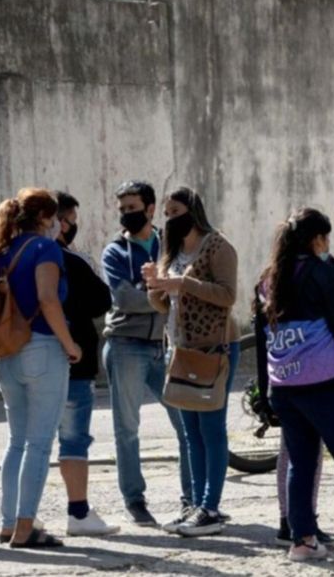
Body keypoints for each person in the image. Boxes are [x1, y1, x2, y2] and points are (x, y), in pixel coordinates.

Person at [253, 208, 334, 562]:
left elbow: (261, 336)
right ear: (317, 240)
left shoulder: (267, 280)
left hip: (284, 384)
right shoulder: (324, 273)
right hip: (324, 378)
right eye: (325, 238)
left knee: (302, 461)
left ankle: (303, 540)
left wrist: (266, 393)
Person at [0, 188, 82, 549]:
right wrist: (70, 345)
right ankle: (26, 527)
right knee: (39, 444)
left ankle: (8, 523)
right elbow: (47, 300)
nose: (59, 224)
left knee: (15, 442)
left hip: (6, 352)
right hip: (42, 348)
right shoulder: (46, 248)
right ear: (45, 218)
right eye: (56, 217)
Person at [145, 187, 240, 537]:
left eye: (176, 211)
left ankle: (210, 507)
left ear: (193, 211)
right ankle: (197, 505)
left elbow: (228, 295)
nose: (170, 219)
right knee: (190, 432)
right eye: (166, 214)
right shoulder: (169, 249)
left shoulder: (217, 246)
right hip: (180, 349)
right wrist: (156, 288)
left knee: (211, 429)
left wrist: (182, 283)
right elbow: (164, 304)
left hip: (213, 348)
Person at [100, 180, 193, 529]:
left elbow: (188, 284)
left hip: (166, 346)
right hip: (126, 345)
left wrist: (156, 290)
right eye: (122, 209)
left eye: (132, 207)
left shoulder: (170, 244)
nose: (126, 214)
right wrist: (167, 292)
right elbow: (126, 300)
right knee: (127, 429)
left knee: (186, 425)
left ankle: (192, 500)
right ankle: (135, 500)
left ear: (151, 209)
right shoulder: (114, 252)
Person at [53, 193, 120, 536]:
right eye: (72, 219)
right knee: (74, 440)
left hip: (24, 361)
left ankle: (16, 518)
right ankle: (78, 512)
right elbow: (102, 300)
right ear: (60, 221)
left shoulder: (11, 257)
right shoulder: (69, 260)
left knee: (25, 441)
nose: (74, 225)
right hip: (73, 360)